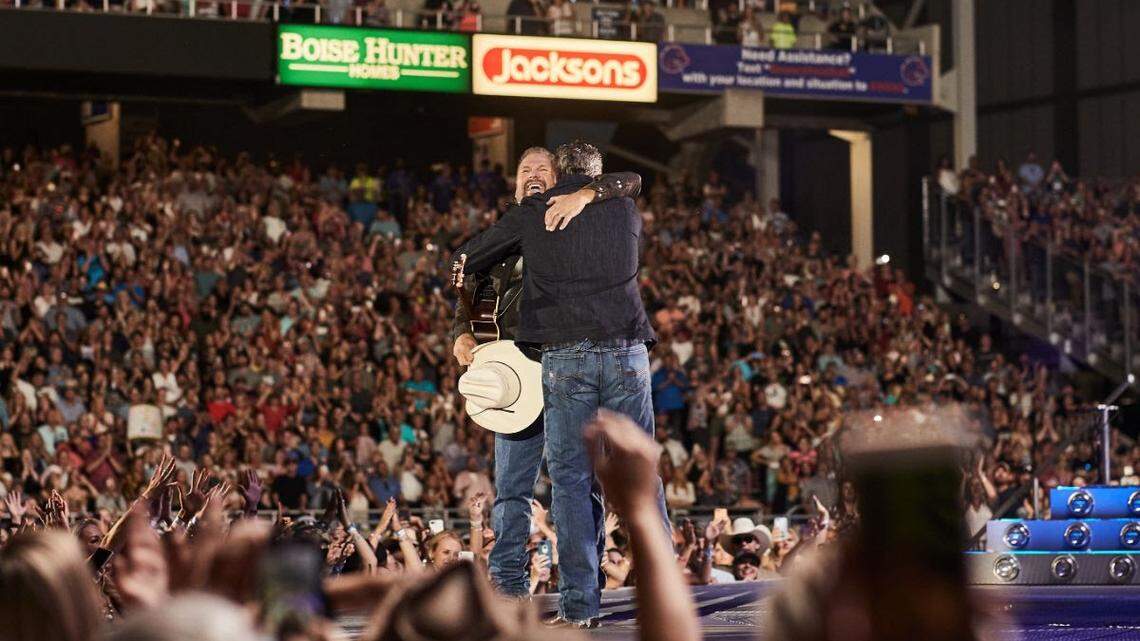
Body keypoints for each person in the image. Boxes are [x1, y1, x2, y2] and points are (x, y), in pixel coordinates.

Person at [451, 140, 669, 627]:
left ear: (558, 177)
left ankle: (581, 604)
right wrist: (462, 329)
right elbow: (467, 284)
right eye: (524, 168)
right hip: (542, 372)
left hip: (561, 360)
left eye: (541, 168)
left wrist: (584, 194)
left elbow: (462, 259)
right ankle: (516, 585)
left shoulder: (533, 217)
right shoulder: (620, 208)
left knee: (571, 484)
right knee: (536, 484)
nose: (532, 173)